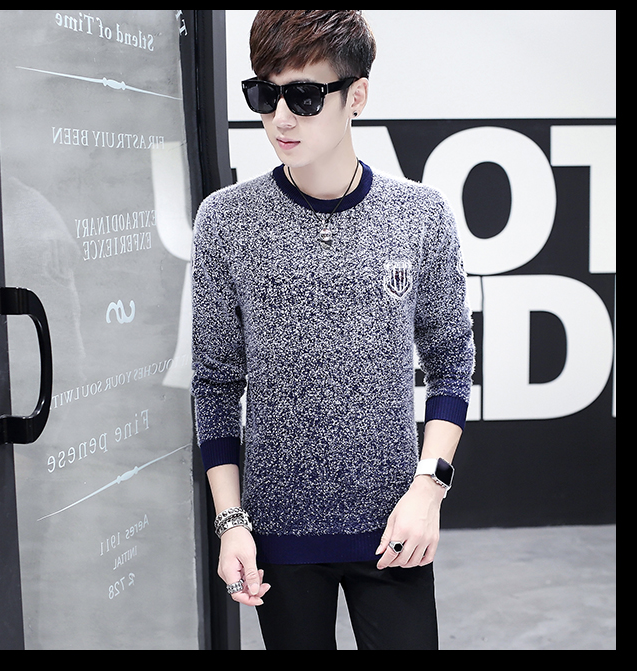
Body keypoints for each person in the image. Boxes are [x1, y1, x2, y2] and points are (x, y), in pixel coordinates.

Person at [191, 10, 475, 650]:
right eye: (265, 94)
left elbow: (452, 362)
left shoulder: (419, 216)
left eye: (304, 96)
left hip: (394, 523)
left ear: (357, 96)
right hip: (277, 532)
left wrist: (429, 487)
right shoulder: (226, 222)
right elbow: (214, 385)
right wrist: (231, 523)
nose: (280, 119)